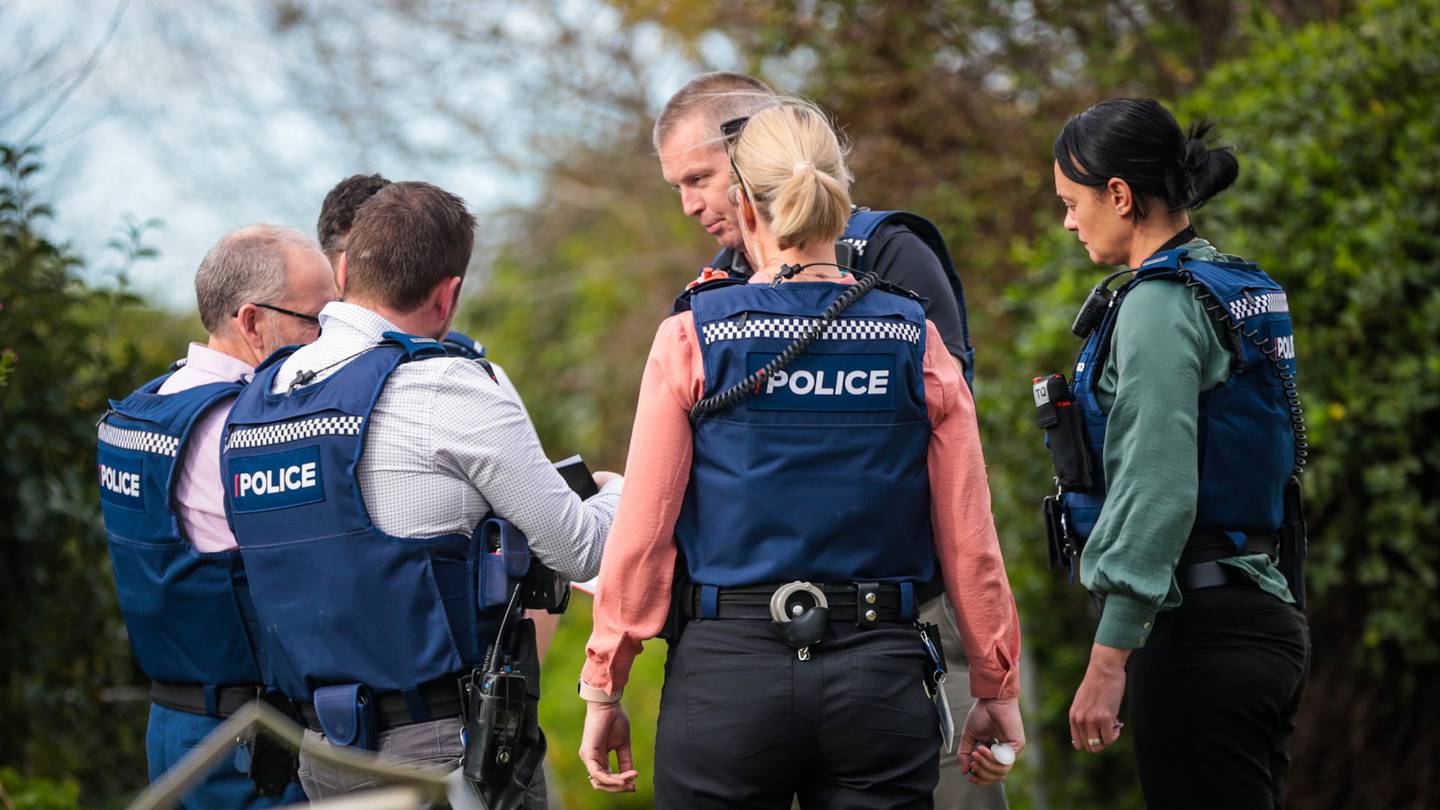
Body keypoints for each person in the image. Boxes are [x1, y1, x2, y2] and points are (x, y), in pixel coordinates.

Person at [580, 99, 1023, 809]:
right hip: (880, 676)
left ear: (744, 205)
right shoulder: (916, 337)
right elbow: (971, 537)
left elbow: (643, 533)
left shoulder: (693, 335)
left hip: (728, 677)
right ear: (839, 199)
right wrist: (996, 685)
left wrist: (606, 681)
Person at [220, 181, 622, 806]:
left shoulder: (256, 400)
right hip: (440, 749)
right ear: (448, 294)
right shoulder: (446, 386)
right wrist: (616, 491)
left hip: (315, 749)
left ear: (344, 271)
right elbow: (580, 550)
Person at [1045, 98, 1310, 809]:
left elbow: (1156, 487)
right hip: (1264, 615)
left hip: (1199, 631)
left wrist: (1109, 657)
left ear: (1119, 195)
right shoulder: (1231, 284)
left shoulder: (1159, 305)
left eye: (1071, 203)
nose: (1068, 222)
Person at [97, 225, 336, 807]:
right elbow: (317, 565)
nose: (328, 338)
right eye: (317, 320)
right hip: (247, 738)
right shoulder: (240, 431)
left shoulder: (144, 409)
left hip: (174, 720)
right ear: (252, 322)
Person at [316, 172, 567, 662]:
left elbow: (537, 542)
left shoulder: (469, 378)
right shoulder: (284, 387)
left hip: (446, 672)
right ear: (343, 270)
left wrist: (515, 683)